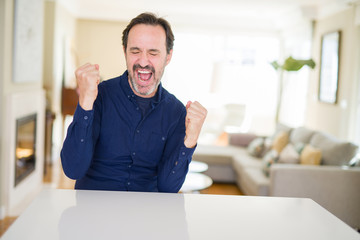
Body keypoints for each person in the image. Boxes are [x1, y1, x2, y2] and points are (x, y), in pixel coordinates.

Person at [60, 12, 207, 193]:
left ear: (168, 57)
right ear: (125, 52)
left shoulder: (176, 112)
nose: (143, 61)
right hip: (93, 209)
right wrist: (85, 103)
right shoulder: (98, 96)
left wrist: (190, 139)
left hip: (145, 213)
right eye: (135, 51)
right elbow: (73, 169)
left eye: (153, 52)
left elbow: (168, 187)